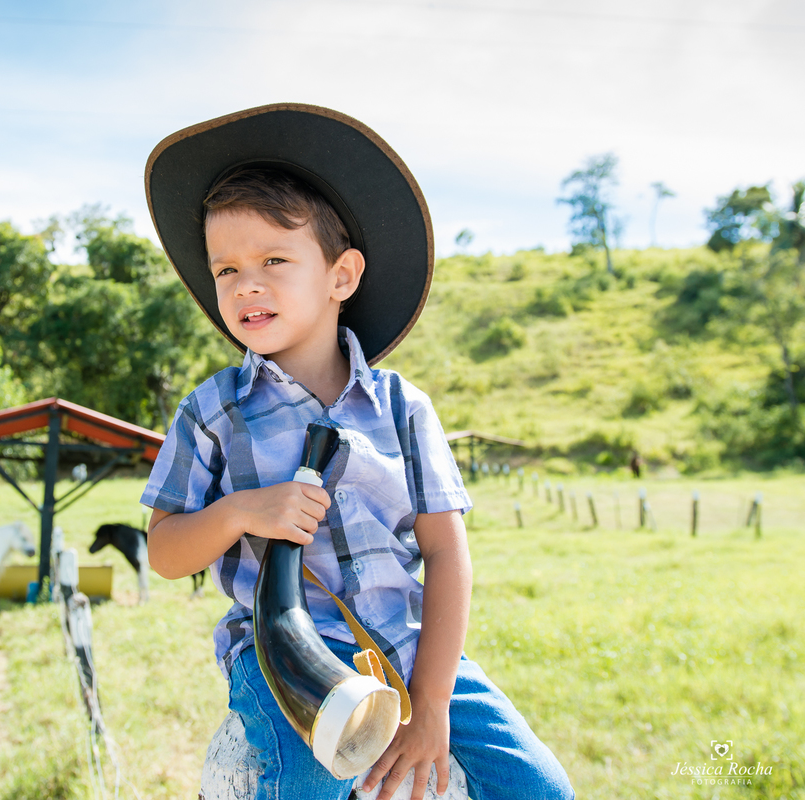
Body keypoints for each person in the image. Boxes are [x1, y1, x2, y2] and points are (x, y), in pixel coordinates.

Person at [139, 105, 573, 800]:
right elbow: (164, 552)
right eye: (227, 270)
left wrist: (430, 703)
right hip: (287, 662)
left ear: (341, 276)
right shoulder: (212, 411)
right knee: (307, 782)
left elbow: (446, 553)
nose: (246, 284)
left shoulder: (405, 408)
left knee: (541, 787)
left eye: (274, 261)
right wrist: (241, 511)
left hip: (408, 644)